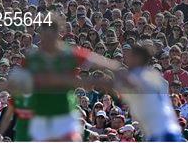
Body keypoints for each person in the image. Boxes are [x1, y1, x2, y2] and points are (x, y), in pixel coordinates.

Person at [22, 13, 121, 141]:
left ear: (58, 32)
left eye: (52, 30)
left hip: (65, 112)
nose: (48, 35)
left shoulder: (70, 54)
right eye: (45, 30)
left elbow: (105, 63)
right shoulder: (33, 59)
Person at [118, 45, 182, 141]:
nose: (127, 58)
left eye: (130, 55)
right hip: (158, 131)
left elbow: (116, 74)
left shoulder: (143, 76)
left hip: (163, 132)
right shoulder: (147, 74)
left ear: (138, 58)